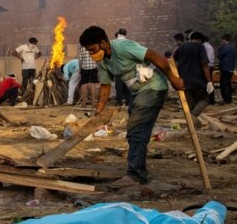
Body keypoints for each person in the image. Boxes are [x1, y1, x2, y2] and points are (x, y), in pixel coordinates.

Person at [79, 26, 184, 187]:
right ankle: (138, 171)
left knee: (136, 129)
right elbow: (105, 87)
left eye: (93, 49)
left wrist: (173, 79)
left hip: (153, 88)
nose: (92, 54)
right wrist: (98, 111)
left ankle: (135, 174)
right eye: (89, 52)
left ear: (103, 43)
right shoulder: (102, 61)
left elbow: (155, 56)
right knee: (137, 132)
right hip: (137, 92)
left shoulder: (123, 47)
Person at [173, 32, 213, 122]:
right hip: (198, 80)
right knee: (205, 99)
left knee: (190, 104)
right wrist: (209, 80)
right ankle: (192, 118)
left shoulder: (181, 47)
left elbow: (173, 61)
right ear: (200, 40)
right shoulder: (200, 47)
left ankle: (190, 126)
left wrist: (176, 77)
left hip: (184, 80)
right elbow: (204, 64)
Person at [114, 28, 131, 106]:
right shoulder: (128, 42)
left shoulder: (113, 43)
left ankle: (119, 102)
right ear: (125, 34)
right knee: (127, 86)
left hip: (117, 68)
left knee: (118, 87)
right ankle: (128, 101)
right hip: (127, 67)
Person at [217, 34, 236, 104]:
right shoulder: (232, 46)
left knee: (223, 84)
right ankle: (228, 98)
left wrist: (221, 47)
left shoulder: (225, 47)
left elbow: (219, 55)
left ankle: (226, 99)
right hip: (230, 67)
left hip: (225, 68)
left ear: (224, 39)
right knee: (228, 83)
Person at [202, 34, 216, 105]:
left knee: (208, 82)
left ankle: (210, 99)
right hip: (208, 66)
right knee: (208, 82)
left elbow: (209, 59)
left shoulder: (206, 47)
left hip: (207, 67)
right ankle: (210, 99)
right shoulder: (208, 46)